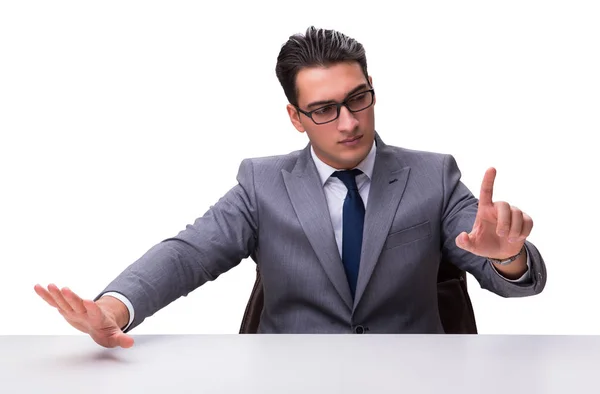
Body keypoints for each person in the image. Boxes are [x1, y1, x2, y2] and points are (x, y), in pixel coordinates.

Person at [34, 26, 547, 348]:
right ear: (296, 118)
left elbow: (498, 263)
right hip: (290, 380)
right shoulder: (263, 183)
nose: (348, 123)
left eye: (358, 99)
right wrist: (113, 308)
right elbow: (190, 253)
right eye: (324, 109)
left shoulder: (432, 174)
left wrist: (508, 256)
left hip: (413, 380)